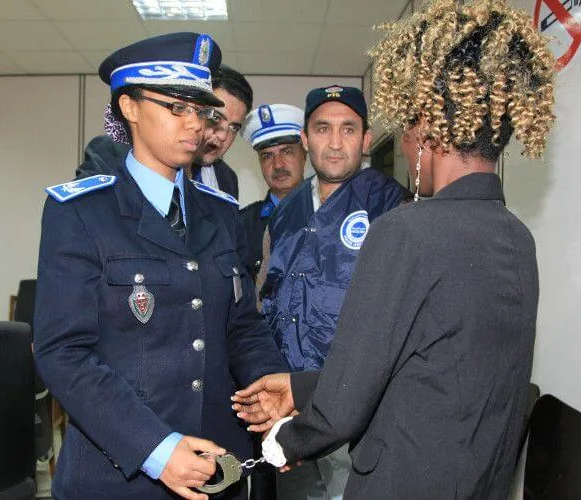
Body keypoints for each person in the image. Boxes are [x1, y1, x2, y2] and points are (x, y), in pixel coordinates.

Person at [232, 1, 557, 498]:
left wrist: (286, 442)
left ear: (425, 132)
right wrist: (299, 388)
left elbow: (348, 403)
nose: (404, 149)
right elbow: (417, 367)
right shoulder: (517, 236)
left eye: (405, 133)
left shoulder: (406, 231)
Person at [33, 33, 288, 500]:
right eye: (176, 108)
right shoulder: (81, 212)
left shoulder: (221, 211)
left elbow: (242, 327)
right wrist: (155, 447)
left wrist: (272, 386)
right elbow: (63, 352)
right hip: (121, 471)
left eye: (202, 111)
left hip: (218, 466)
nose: (195, 125)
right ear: (129, 107)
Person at [257, 86, 409, 499]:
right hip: (289, 405)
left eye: (348, 129)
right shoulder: (285, 212)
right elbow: (265, 302)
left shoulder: (391, 206)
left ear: (365, 139)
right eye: (323, 129)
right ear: (305, 139)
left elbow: (397, 324)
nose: (336, 143)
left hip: (356, 410)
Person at [239, 104, 307, 279]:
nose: (278, 165)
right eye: (267, 156)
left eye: (286, 152)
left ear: (304, 154)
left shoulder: (330, 213)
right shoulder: (242, 224)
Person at [191, 65, 252, 199]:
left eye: (234, 127)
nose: (223, 136)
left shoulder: (228, 178)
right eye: (216, 118)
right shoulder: (163, 168)